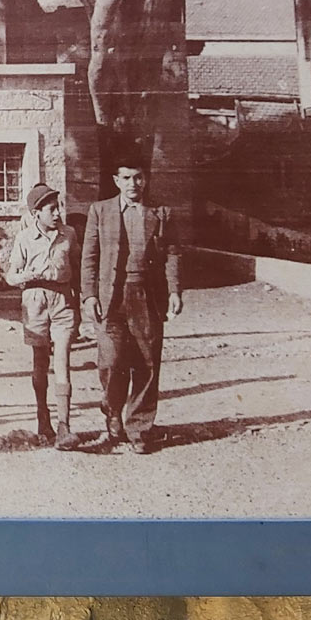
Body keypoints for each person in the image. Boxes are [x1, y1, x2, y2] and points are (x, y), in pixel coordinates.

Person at [81, 150, 182, 454]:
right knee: (111, 361)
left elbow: (172, 254)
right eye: (126, 178)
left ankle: (139, 429)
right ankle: (112, 413)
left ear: (145, 179)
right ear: (116, 180)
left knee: (147, 363)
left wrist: (175, 290)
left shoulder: (161, 213)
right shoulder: (100, 211)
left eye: (138, 177)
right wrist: (88, 295)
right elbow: (89, 256)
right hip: (110, 298)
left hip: (146, 297)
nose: (133, 184)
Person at [6, 183, 81, 450]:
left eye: (58, 207)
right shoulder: (24, 238)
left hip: (63, 301)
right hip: (35, 303)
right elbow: (10, 276)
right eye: (51, 210)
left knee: (62, 360)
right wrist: (25, 276)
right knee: (40, 361)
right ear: (36, 213)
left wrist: (80, 308)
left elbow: (78, 269)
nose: (57, 214)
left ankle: (64, 426)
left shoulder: (69, 234)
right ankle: (43, 419)